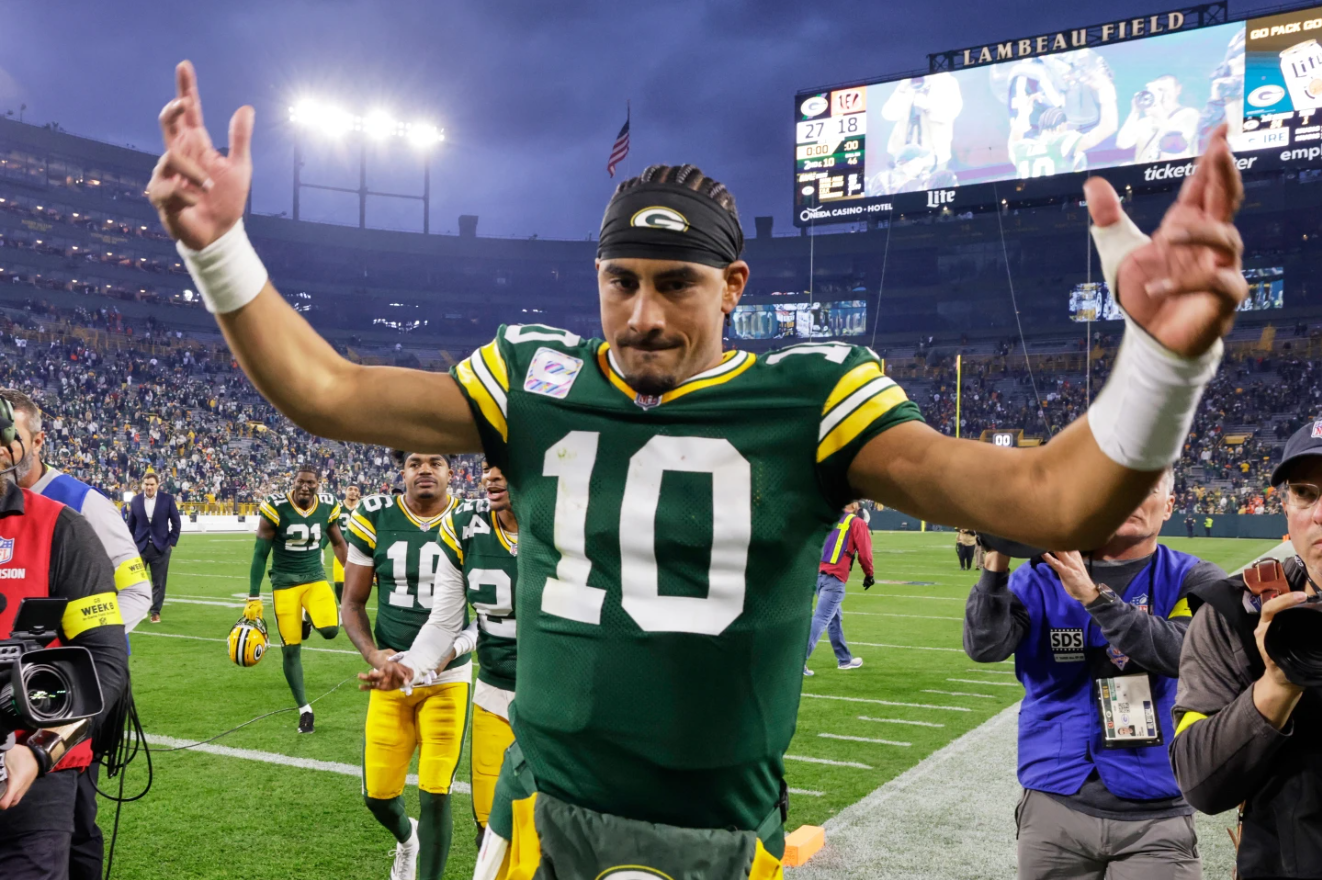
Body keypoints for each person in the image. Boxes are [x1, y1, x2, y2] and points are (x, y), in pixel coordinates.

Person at [151, 61, 1248, 876]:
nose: (640, 313)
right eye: (618, 279)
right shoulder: (530, 376)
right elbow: (329, 391)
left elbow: (1048, 499)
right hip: (544, 803)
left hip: (719, 827)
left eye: (673, 283)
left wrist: (1160, 361)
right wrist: (218, 246)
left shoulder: (810, 397)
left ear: (732, 284)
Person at [964, 469, 1225, 879]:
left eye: (1147, 491)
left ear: (1169, 506)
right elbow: (984, 646)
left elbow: (1186, 650)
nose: (1132, 501)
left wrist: (1093, 597)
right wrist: (996, 559)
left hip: (1156, 814)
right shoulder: (1037, 576)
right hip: (1055, 800)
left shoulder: (1194, 579)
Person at [0, 389, 149, 880]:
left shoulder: (73, 518)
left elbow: (109, 648)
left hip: (40, 752)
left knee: (81, 829)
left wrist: (45, 743)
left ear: (18, 446)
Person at [1171, 419, 1322, 879]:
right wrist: (1276, 684)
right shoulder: (1234, 614)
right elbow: (1199, 781)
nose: (1320, 514)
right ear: (1286, 508)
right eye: (1306, 493)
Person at [341, 452, 464, 880]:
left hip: (449, 678)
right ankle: (407, 839)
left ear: (452, 471)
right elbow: (352, 604)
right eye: (414, 463)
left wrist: (454, 649)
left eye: (435, 462)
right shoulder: (375, 515)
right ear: (402, 472)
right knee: (377, 796)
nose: (425, 470)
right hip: (392, 676)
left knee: (435, 794)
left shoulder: (470, 521)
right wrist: (374, 655)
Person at [392, 459, 520, 850]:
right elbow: (446, 622)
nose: (491, 476)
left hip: (563, 696)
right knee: (491, 828)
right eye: (486, 467)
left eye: (507, 465)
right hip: (495, 693)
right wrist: (410, 666)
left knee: (560, 832)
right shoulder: (464, 525)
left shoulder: (568, 520)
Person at [245, 467, 347, 732]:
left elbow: (337, 542)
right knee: (291, 649)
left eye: (310, 483)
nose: (305, 487)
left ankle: (307, 617)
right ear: (293, 483)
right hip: (285, 584)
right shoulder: (276, 507)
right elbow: (260, 554)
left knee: (331, 631)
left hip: (315, 578)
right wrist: (253, 596)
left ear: (318, 484)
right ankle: (304, 708)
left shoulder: (327, 505)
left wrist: (353, 570)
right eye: (300, 482)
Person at [805, 501, 873, 676]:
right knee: (821, 620)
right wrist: (869, 574)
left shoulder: (829, 519)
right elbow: (865, 554)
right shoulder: (856, 522)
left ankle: (844, 659)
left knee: (834, 618)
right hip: (833, 579)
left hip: (818, 574)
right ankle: (798, 662)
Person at [125, 473, 180, 623]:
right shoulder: (135, 500)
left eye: (151, 484)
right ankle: (138, 610)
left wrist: (171, 543)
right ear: (143, 485)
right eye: (146, 484)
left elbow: (176, 522)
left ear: (157, 485)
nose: (149, 487)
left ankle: (155, 612)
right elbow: (131, 525)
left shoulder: (167, 499)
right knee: (136, 581)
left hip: (161, 548)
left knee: (159, 582)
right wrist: (130, 544)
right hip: (140, 547)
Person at [332, 484, 361, 603]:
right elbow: (330, 528)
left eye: (355, 489)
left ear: (359, 493)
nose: (353, 492)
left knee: (359, 583)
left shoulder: (363, 507)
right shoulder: (337, 507)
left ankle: (354, 607)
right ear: (345, 491)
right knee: (339, 582)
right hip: (341, 549)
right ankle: (343, 607)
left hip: (359, 550)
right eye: (350, 489)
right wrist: (322, 548)